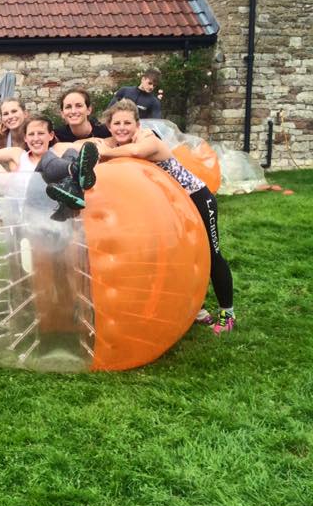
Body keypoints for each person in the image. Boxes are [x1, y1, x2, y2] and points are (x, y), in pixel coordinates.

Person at [97, 100, 235, 333]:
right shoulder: (114, 144)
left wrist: (105, 153)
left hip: (198, 199)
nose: (122, 127)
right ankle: (194, 309)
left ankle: (227, 313)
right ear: (109, 127)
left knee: (211, 254)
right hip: (173, 209)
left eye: (127, 123)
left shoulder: (147, 138)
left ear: (137, 124)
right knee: (177, 257)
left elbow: (138, 152)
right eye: (117, 123)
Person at [0, 114, 99, 211]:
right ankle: (74, 170)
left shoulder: (58, 149)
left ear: (51, 135)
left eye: (41, 133)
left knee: (71, 151)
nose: (36, 139)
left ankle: (75, 182)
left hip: (58, 214)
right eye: (31, 134)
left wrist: (96, 154)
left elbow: (94, 148)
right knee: (48, 157)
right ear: (25, 138)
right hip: (30, 213)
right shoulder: (17, 154)